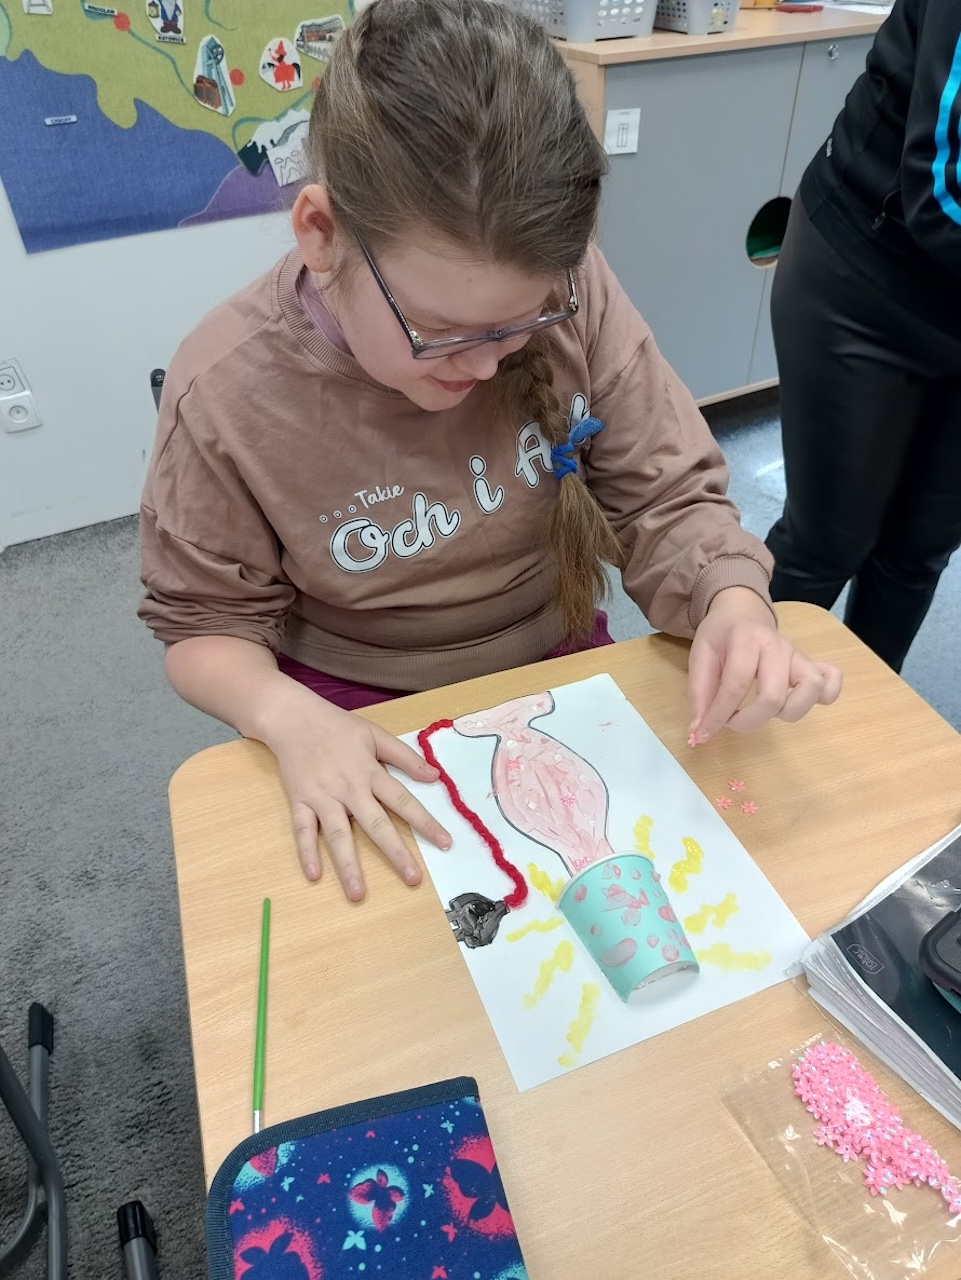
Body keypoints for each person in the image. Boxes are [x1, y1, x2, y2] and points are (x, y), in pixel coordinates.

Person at [139, 0, 841, 901]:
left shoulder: (572, 286)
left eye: (521, 323)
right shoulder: (228, 387)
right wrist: (284, 715)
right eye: (440, 332)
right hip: (352, 705)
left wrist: (733, 605)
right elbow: (204, 627)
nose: (483, 366)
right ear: (320, 233)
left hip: (559, 661)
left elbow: (668, 498)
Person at [766, 0, 961, 673]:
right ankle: (738, 716)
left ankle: (863, 714)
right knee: (826, 543)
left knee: (918, 552)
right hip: (867, 276)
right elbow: (940, 187)